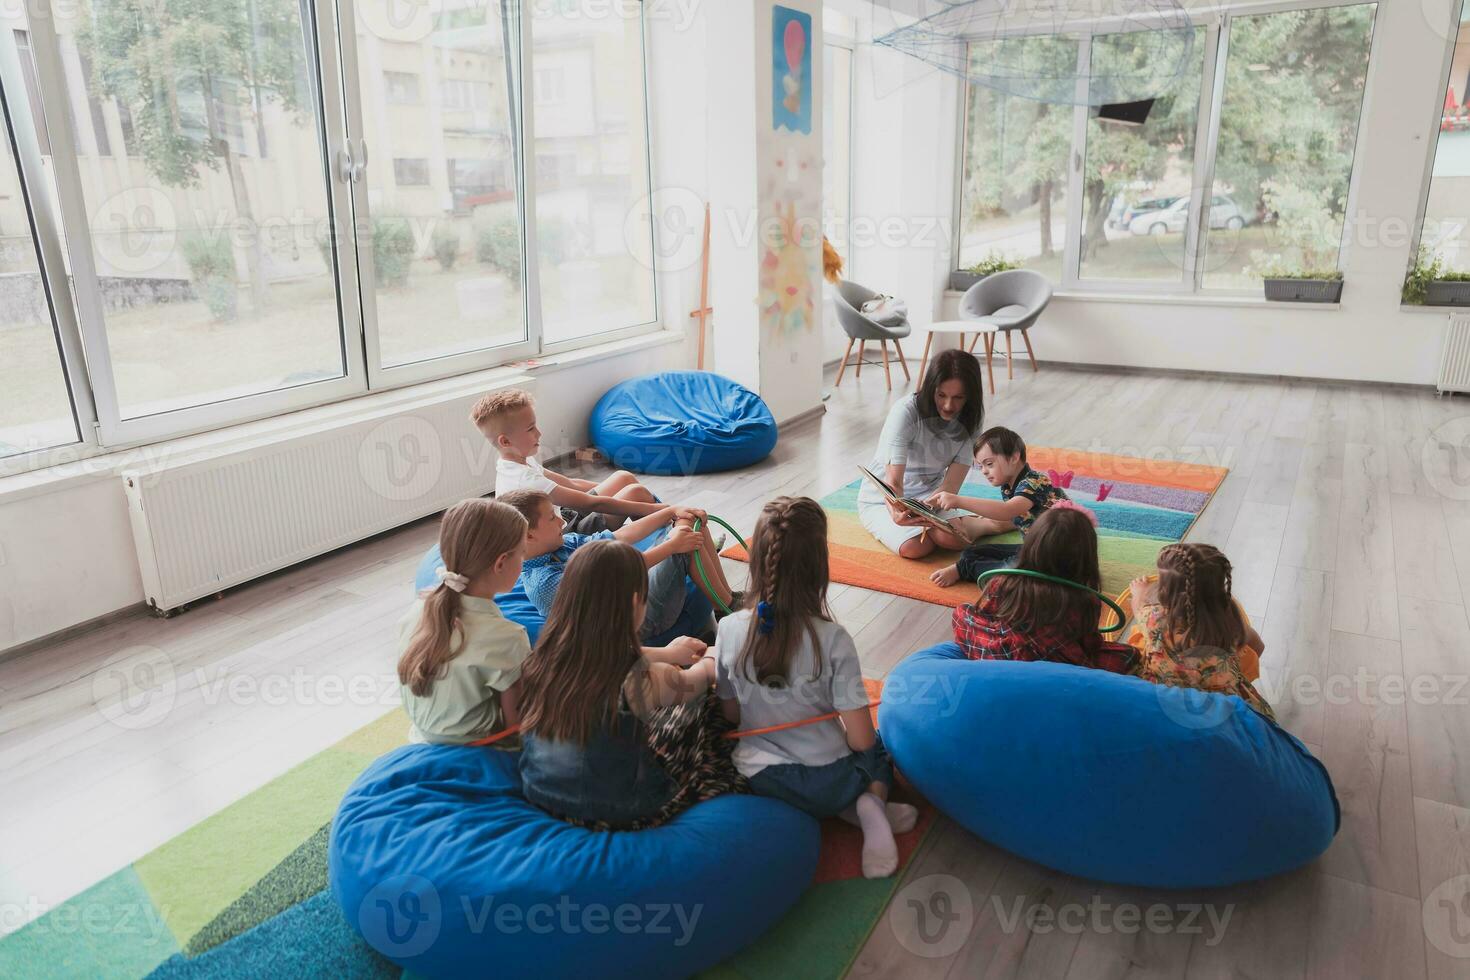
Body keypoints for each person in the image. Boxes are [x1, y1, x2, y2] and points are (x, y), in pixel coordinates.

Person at [716, 497, 916, 878]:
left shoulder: (727, 630)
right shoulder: (834, 639)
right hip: (832, 777)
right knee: (878, 752)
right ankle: (868, 806)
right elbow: (859, 741)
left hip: (764, 779)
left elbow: (730, 715)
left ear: (758, 561)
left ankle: (849, 809)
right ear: (818, 566)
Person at [517, 540, 745, 830]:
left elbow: (608, 656)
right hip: (617, 807)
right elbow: (698, 680)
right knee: (708, 706)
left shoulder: (543, 654)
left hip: (540, 789)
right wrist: (716, 653)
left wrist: (667, 652)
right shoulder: (640, 677)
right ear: (636, 601)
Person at [499, 489, 739, 642]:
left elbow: (620, 536)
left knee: (686, 521)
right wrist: (671, 547)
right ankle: (731, 612)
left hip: (633, 597)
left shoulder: (563, 545)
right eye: (552, 518)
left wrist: (671, 511)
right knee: (683, 542)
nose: (562, 521)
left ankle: (726, 603)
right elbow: (617, 575)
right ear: (529, 536)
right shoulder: (544, 583)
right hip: (632, 622)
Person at [396, 498, 530, 745]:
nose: (524, 561)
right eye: (522, 553)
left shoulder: (416, 611)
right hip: (475, 755)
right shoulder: (508, 636)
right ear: (501, 562)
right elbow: (517, 728)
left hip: (417, 742)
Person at [950, 504, 1139, 674]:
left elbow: (986, 617)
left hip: (1007, 657)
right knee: (1130, 655)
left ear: (1031, 545)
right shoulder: (1086, 598)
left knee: (962, 613)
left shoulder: (1004, 582)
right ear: (1086, 556)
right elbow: (1089, 643)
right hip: (1058, 666)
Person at [471, 388, 664, 531]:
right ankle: (667, 522)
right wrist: (654, 507)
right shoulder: (525, 481)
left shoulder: (518, 461)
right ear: (505, 441)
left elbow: (571, 483)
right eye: (530, 429)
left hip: (560, 517)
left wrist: (613, 490)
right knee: (635, 493)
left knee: (623, 478)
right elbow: (590, 504)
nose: (539, 433)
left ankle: (664, 522)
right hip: (559, 539)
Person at [857, 349, 987, 560]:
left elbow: (952, 485)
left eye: (958, 398)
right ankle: (965, 521)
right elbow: (894, 482)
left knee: (954, 540)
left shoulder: (971, 419)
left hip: (931, 494)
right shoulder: (905, 412)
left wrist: (926, 508)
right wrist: (896, 512)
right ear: (930, 389)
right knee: (915, 548)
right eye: (941, 395)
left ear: (970, 396)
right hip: (884, 498)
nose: (948, 406)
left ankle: (990, 524)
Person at [1126, 543, 1274, 720]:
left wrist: (1139, 593)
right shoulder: (1230, 619)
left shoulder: (1154, 619)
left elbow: (1137, 610)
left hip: (1164, 696)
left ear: (1165, 592)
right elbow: (1259, 647)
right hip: (1222, 705)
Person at [926, 427, 1069, 587]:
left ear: (1014, 457)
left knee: (1005, 571)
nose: (984, 471)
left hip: (1056, 557)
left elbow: (1008, 511)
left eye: (989, 464)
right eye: (981, 466)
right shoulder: (1010, 485)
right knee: (972, 552)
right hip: (1036, 547)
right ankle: (967, 564)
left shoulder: (1034, 482)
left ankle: (965, 569)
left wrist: (958, 500)